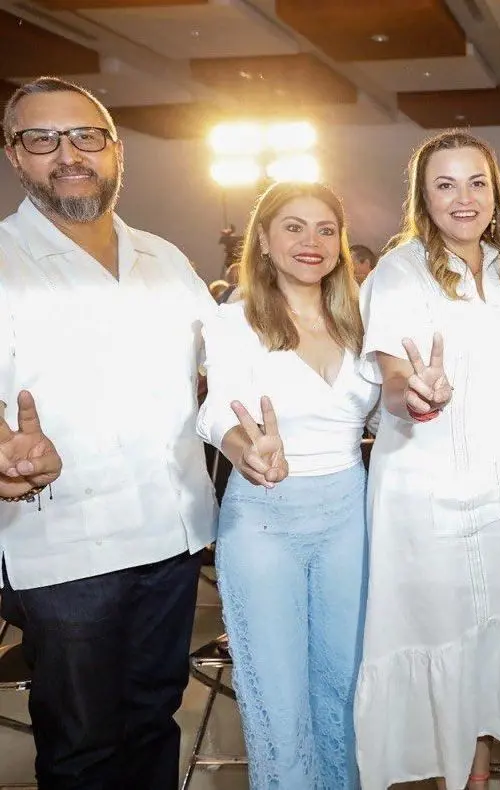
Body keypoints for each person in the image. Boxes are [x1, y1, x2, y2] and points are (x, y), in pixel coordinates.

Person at [0, 76, 218, 789]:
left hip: (172, 533)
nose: (68, 154)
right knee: (85, 743)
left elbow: (219, 374)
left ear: (117, 152)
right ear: (15, 157)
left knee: (156, 717)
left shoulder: (166, 259)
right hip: (66, 546)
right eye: (42, 138)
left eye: (86, 136)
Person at [354, 130, 500, 790]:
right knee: (443, 646)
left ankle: (481, 774)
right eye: (445, 184)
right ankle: (451, 780)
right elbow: (392, 369)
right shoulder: (400, 271)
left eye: (476, 183)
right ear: (422, 197)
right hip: (427, 496)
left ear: (496, 193)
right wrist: (417, 391)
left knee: (487, 644)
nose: (463, 199)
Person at [196, 181, 375, 789]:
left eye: (326, 229)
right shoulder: (235, 320)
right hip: (264, 519)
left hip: (350, 517)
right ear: (265, 242)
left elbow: (386, 414)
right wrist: (246, 449)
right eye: (293, 227)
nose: (311, 242)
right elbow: (218, 408)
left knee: (346, 690)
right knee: (276, 698)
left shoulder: (361, 318)